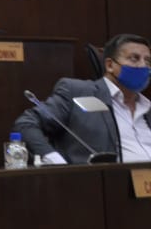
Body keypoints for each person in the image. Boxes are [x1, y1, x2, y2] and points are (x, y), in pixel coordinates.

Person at [13, 33, 151, 165]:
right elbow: (26, 124)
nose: (143, 66)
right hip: (106, 184)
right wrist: (54, 160)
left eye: (148, 61)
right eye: (134, 58)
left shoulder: (147, 107)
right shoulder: (78, 91)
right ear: (110, 65)